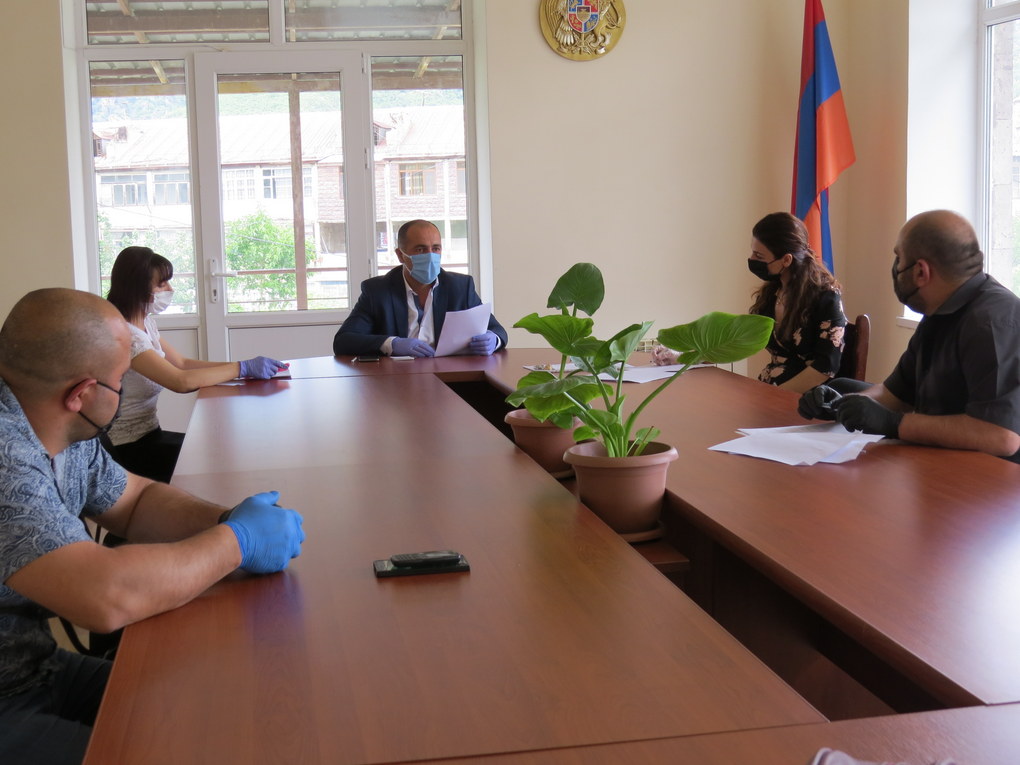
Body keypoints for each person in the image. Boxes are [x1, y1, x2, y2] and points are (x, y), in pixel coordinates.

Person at [0, 288, 305, 765]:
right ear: (81, 394)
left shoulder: (61, 424)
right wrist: (235, 543)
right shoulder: (6, 454)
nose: (124, 390)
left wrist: (227, 520)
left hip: (34, 668)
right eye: (121, 379)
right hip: (7, 702)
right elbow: (104, 596)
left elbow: (135, 501)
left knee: (214, 715)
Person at [798, 210, 1020, 462]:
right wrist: (840, 405)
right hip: (936, 462)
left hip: (991, 476)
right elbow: (894, 395)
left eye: (899, 258)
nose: (895, 267)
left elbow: (1000, 436)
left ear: (921, 272)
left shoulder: (992, 323)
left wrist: (896, 424)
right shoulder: (939, 311)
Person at [106, 246, 288, 483]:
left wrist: (241, 369)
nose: (170, 289)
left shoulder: (146, 324)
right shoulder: (126, 336)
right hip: (127, 449)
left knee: (223, 450)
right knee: (222, 459)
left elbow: (182, 364)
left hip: (150, 435)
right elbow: (180, 381)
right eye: (162, 284)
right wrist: (241, 368)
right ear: (137, 287)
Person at [653, 212, 846, 393]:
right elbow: (738, 342)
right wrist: (681, 357)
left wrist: (774, 397)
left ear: (786, 260)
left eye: (759, 256)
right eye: (753, 252)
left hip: (805, 400)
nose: (751, 259)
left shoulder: (826, 298)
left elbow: (825, 368)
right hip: (766, 392)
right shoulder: (773, 292)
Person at [332, 219, 508, 357]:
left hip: (451, 374)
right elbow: (343, 341)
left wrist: (494, 340)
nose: (430, 256)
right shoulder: (377, 291)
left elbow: (497, 330)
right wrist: (392, 344)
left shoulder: (460, 286)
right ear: (400, 255)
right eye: (420, 249)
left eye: (435, 248)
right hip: (397, 378)